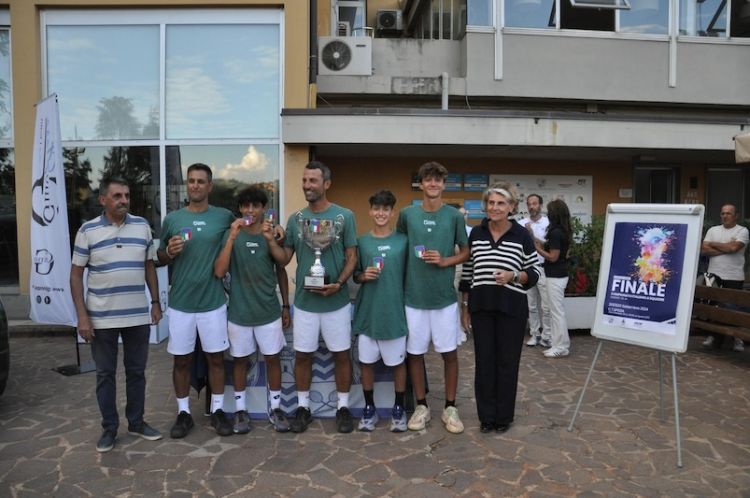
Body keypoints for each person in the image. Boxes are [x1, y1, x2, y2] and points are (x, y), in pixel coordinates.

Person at [70, 176, 163, 452]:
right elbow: (75, 277)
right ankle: (109, 428)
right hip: (101, 317)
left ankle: (136, 422)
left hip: (136, 316)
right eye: (117, 196)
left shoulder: (142, 226)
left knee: (136, 372)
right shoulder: (87, 231)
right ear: (103, 200)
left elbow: (149, 267)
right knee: (105, 374)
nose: (124, 200)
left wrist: (155, 302)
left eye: (126, 195)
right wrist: (82, 317)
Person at [269, 160, 358, 433]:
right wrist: (272, 241)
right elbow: (285, 259)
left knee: (342, 354)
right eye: (304, 181)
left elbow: (351, 257)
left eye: (313, 181)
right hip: (306, 304)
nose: (307, 185)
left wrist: (339, 283)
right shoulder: (295, 219)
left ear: (326, 184)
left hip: (336, 302)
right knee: (303, 356)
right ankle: (303, 407)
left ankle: (342, 407)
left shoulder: (345, 216)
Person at [157, 163, 235, 438]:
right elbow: (159, 257)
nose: (196, 185)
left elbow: (246, 228)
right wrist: (168, 250)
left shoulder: (224, 216)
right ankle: (183, 413)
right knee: (181, 361)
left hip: (213, 302)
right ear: (186, 185)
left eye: (201, 181)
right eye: (191, 181)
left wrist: (275, 231)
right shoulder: (173, 219)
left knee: (216, 359)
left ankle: (216, 411)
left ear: (210, 186)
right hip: (181, 304)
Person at [459, 182, 540, 433]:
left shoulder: (522, 235)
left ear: (512, 206)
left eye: (501, 203)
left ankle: (503, 417)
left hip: (511, 309)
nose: (495, 207)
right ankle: (486, 417)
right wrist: (465, 308)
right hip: (481, 307)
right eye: (491, 203)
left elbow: (534, 272)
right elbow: (468, 272)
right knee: (484, 363)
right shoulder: (477, 233)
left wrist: (513, 276)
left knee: (507, 363)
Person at [396, 161, 469, 434]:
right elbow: (399, 248)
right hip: (413, 297)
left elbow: (466, 251)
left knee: (449, 353)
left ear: (443, 184)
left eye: (438, 180)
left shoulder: (454, 216)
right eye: (428, 179)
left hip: (444, 299)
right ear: (421, 183)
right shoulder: (407, 215)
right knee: (415, 354)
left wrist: (445, 261)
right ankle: (421, 406)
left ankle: (450, 407)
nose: (433, 184)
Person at [213, 186, 292, 434]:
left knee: (273, 359)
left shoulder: (272, 234)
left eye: (255, 206)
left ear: (263, 209)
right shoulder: (232, 234)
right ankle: (239, 411)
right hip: (239, 312)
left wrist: (285, 305)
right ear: (240, 208)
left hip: (268, 310)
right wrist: (232, 238)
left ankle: (276, 408)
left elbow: (282, 266)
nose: (250, 210)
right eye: (246, 206)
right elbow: (219, 271)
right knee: (240, 361)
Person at [352, 190, 409, 432]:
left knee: (398, 364)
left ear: (393, 212)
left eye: (386, 209)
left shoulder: (403, 241)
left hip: (394, 314)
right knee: (366, 364)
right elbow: (354, 275)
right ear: (370, 211)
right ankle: (369, 408)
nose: (381, 213)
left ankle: (399, 408)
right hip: (368, 313)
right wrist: (363, 276)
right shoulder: (361, 242)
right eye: (376, 208)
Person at [700, 203, 748, 352]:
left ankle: (736, 339)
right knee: (713, 305)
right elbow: (703, 249)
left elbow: (734, 248)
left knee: (733, 309)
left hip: (734, 276)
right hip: (713, 274)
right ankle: (713, 336)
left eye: (728, 213)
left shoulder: (742, 231)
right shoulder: (713, 230)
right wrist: (726, 247)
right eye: (722, 213)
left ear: (736, 216)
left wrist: (714, 245)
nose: (725, 216)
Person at [534, 199, 572, 358]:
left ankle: (561, 346)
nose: (547, 214)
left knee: (556, 312)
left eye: (549, 211)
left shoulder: (556, 232)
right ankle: (558, 344)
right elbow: (555, 249)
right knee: (556, 311)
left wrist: (537, 248)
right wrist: (538, 240)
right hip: (558, 274)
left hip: (555, 275)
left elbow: (552, 257)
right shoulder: (562, 230)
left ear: (554, 214)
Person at [517, 194, 551, 348]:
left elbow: (549, 246)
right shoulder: (521, 223)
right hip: (528, 268)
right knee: (531, 305)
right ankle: (534, 334)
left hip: (544, 268)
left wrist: (532, 235)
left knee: (546, 306)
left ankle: (547, 336)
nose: (532, 207)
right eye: (529, 204)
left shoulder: (548, 223)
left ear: (540, 205)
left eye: (535, 204)